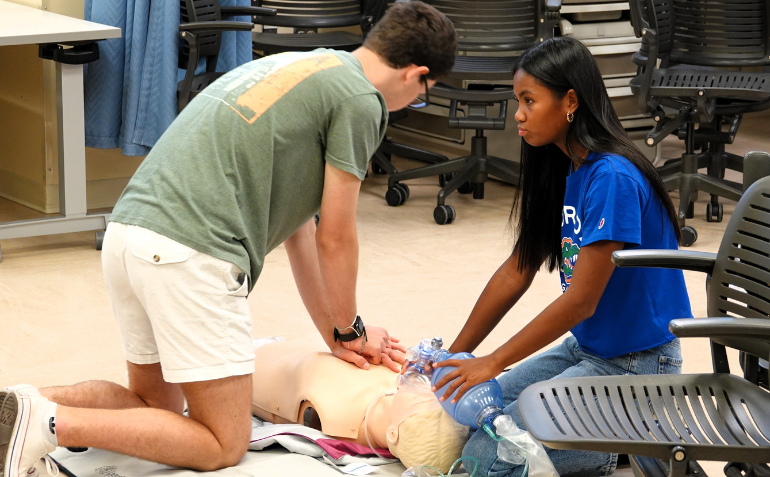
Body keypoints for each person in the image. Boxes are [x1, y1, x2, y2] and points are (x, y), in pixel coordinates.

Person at [0, 3, 458, 476]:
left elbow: (299, 230)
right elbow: (336, 236)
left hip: (128, 233)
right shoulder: (362, 100)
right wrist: (354, 329)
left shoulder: (305, 66)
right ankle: (50, 423)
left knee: (151, 402)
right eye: (426, 93)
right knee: (222, 442)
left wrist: (337, 334)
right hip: (189, 254)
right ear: (416, 75)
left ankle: (18, 408)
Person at [430, 36, 692, 477]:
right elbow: (518, 270)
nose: (518, 113)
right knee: (468, 416)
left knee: (489, 453)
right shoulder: (564, 167)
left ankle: (631, 437)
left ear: (569, 101)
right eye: (519, 101)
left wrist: (493, 361)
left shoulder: (612, 176)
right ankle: (611, 433)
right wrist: (454, 359)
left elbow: (581, 301)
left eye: (529, 101)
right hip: (587, 350)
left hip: (639, 366)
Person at [249, 339, 469, 474]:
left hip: (259, 363)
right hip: (301, 347)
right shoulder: (400, 390)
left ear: (393, 434)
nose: (428, 388)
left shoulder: (336, 418)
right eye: (439, 399)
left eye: (421, 400)